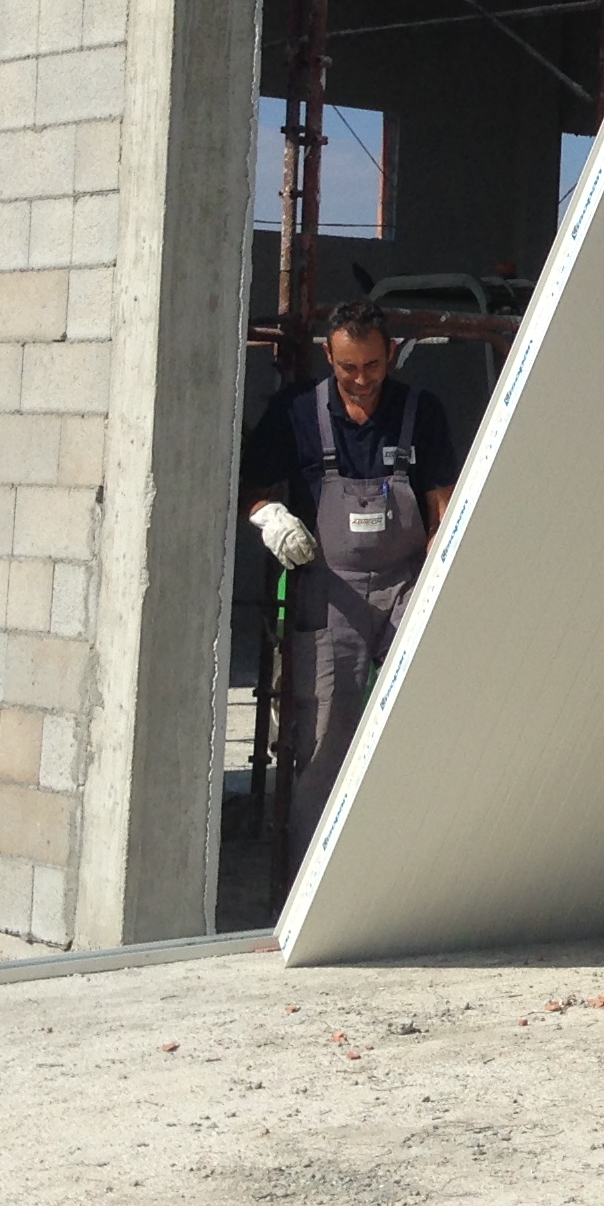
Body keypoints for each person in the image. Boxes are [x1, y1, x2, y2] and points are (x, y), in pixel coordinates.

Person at [240, 300, 458, 870]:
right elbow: (248, 488)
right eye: (348, 368)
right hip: (328, 590)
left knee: (427, 706)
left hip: (405, 583)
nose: (361, 380)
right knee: (323, 735)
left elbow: (443, 505)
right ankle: (309, 880)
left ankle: (411, 864)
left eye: (373, 366)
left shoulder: (420, 412)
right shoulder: (298, 414)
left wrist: (441, 559)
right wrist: (269, 517)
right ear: (328, 357)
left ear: (392, 354)